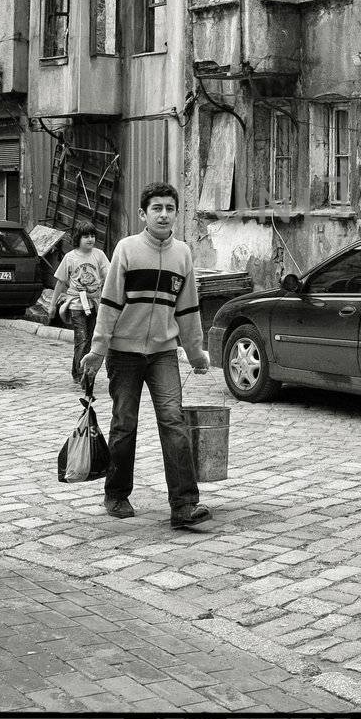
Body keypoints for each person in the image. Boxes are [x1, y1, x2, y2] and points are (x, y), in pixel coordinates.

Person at [79, 183, 212, 530]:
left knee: (173, 421)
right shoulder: (127, 250)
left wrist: (196, 353)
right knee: (125, 423)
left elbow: (188, 309)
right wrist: (97, 350)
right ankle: (117, 493)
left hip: (164, 353)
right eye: (157, 208)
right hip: (124, 354)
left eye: (170, 208)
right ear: (143, 214)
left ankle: (184, 505)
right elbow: (108, 305)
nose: (164, 214)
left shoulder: (182, 254)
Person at [48, 225, 110, 386]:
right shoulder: (70, 257)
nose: (90, 239)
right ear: (78, 238)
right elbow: (61, 282)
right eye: (86, 236)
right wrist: (52, 305)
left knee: (91, 340)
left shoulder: (99, 255)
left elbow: (109, 277)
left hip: (94, 303)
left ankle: (78, 370)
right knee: (81, 339)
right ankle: (82, 374)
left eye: (92, 236)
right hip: (76, 304)